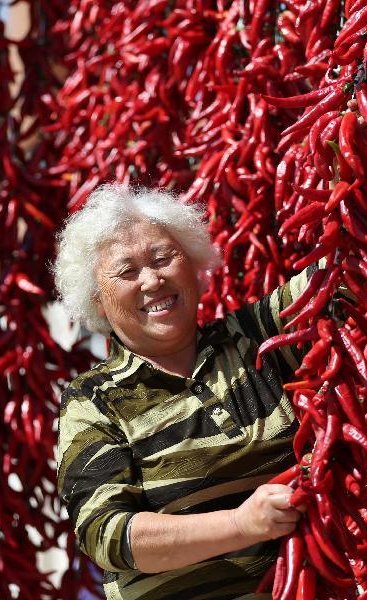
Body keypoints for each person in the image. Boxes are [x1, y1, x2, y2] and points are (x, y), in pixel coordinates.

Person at [53, 185, 326, 599]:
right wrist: (240, 524)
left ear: (196, 267)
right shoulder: (95, 399)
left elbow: (345, 272)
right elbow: (106, 534)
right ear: (99, 303)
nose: (152, 279)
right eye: (127, 272)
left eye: (164, 259)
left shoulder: (253, 339)